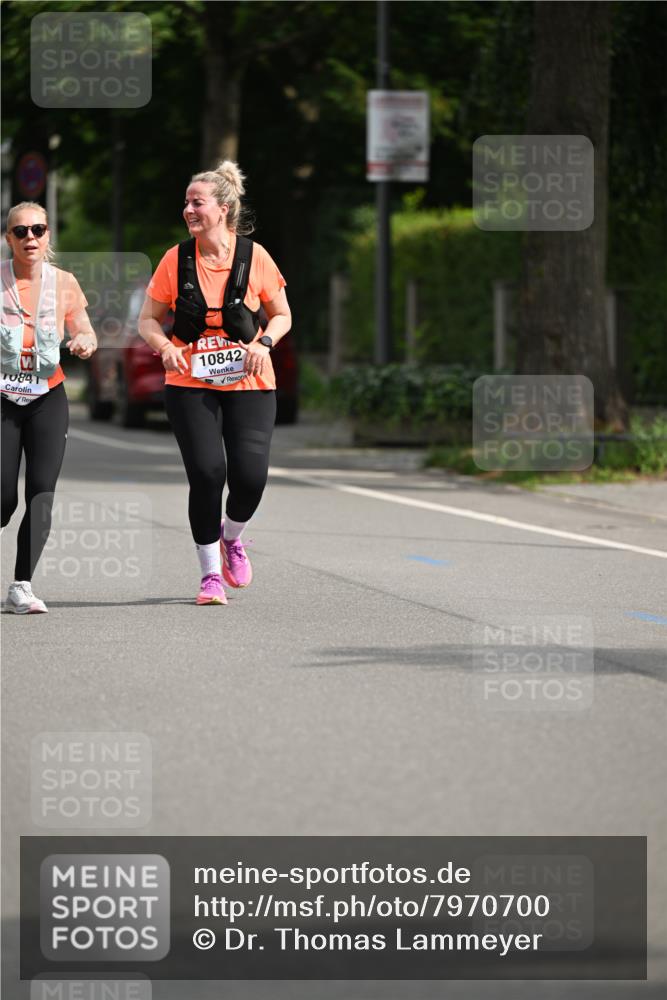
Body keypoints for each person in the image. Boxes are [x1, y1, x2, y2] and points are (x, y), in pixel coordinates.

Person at [138, 161, 291, 606]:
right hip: (189, 381)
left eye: (197, 202)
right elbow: (148, 320)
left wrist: (264, 343)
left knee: (250, 478)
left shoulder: (255, 257)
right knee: (207, 473)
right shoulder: (175, 259)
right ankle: (209, 577)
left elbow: (282, 315)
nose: (189, 210)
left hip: (250, 380)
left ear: (222, 209)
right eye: (186, 202)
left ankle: (232, 538)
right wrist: (164, 346)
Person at [1, 202, 97, 614]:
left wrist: (84, 342)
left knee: (41, 493)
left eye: (38, 230)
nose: (30, 238)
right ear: (9, 238)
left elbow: (85, 330)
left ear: (48, 235)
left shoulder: (64, 282)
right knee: (3, 497)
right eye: (21, 231)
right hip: (2, 397)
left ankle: (21, 586)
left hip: (47, 397)